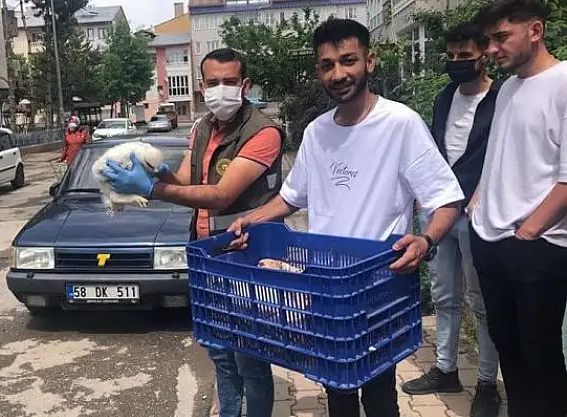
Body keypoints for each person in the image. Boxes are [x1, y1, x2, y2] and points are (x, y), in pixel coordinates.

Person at [224, 19, 464, 417]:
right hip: (326, 290)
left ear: (369, 61)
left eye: (348, 61)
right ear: (318, 71)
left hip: (380, 287)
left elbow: (446, 200)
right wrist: (254, 218)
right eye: (327, 65)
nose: (338, 74)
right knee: (337, 392)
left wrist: (426, 241)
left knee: (379, 396)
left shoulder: (400, 124)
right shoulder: (317, 133)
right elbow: (291, 197)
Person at [101, 48, 285, 417]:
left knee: (250, 359)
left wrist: (152, 189)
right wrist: (155, 170)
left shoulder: (264, 132)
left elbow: (221, 195)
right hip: (208, 259)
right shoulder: (203, 128)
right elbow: (185, 180)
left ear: (245, 84)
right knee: (221, 355)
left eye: (230, 81)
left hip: (249, 260)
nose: (221, 89)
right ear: (201, 87)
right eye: (213, 82)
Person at [468, 1, 567, 416]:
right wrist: (477, 204)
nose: (491, 49)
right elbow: (501, 155)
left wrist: (529, 231)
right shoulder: (508, 88)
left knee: (540, 350)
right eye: (488, 39)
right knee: (507, 345)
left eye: (501, 37)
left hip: (538, 245)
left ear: (535, 31)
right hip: (490, 237)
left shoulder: (563, 83)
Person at [401, 21, 502, 417]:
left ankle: (487, 383)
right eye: (452, 55)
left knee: (481, 302)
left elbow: (503, 156)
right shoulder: (444, 97)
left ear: (483, 54)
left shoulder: (501, 99)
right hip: (441, 215)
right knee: (444, 296)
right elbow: (433, 154)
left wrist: (480, 197)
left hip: (479, 216)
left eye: (466, 55)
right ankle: (446, 369)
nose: (457, 61)